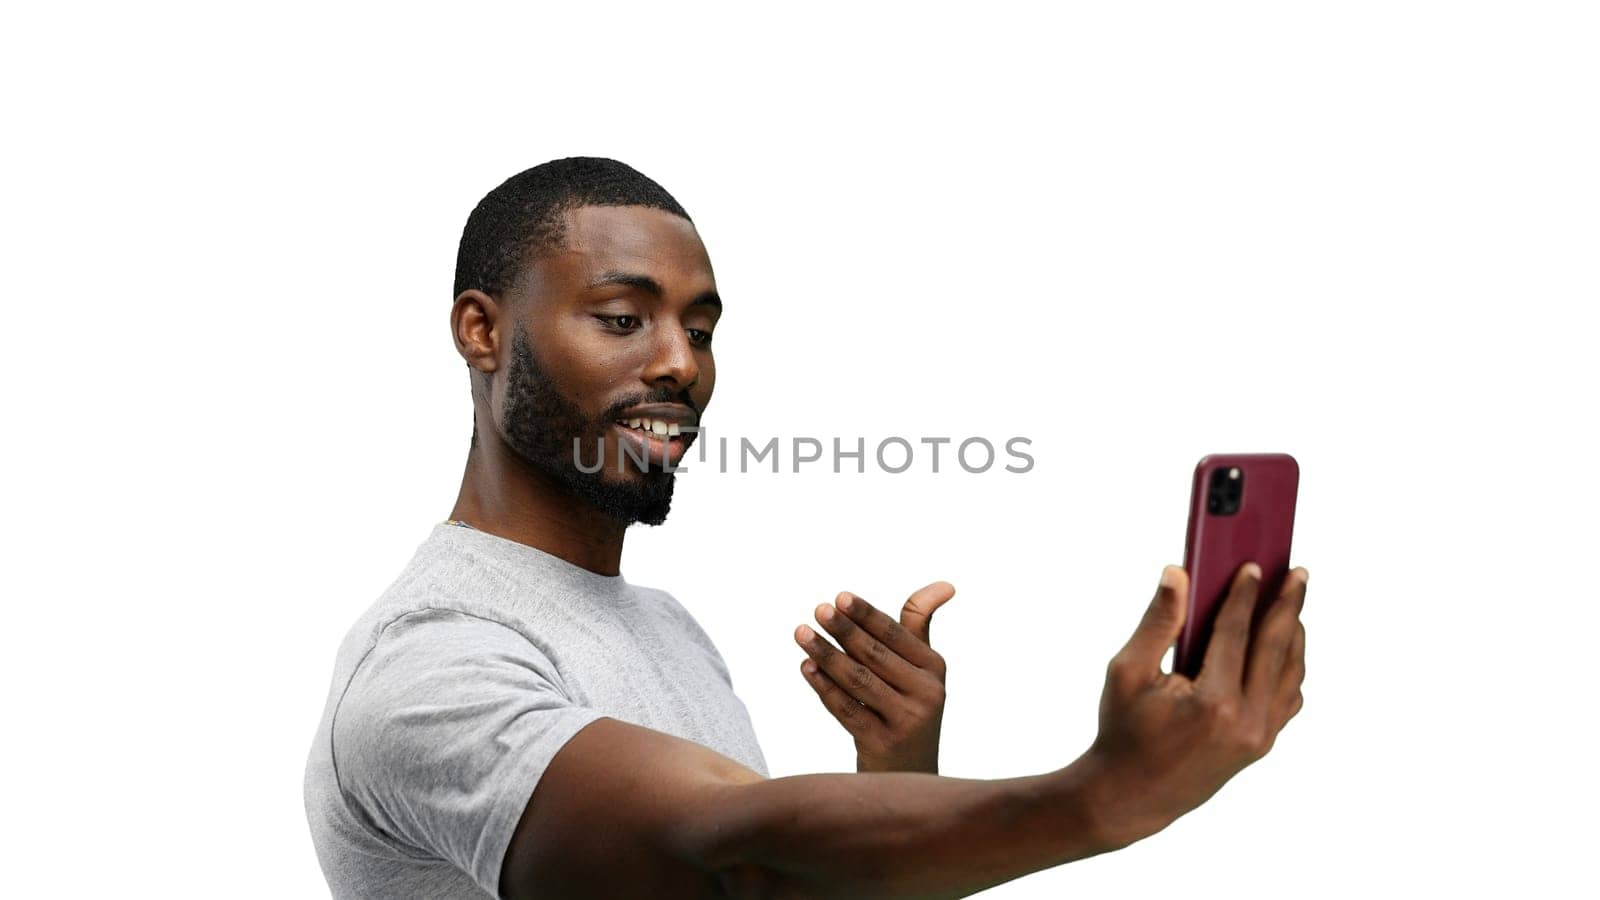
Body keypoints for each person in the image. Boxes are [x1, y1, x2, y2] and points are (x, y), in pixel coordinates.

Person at [302, 157, 1310, 899]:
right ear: (482, 330)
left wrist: (896, 770)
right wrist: (1095, 798)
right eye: (622, 318)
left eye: (698, 329)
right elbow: (727, 855)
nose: (680, 365)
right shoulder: (428, 664)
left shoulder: (661, 626)